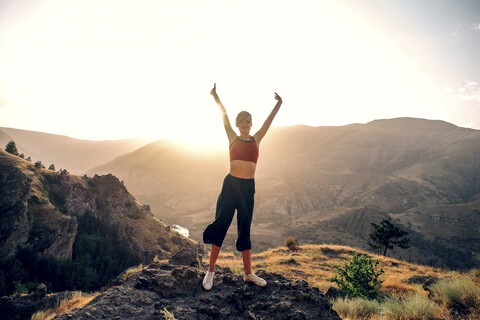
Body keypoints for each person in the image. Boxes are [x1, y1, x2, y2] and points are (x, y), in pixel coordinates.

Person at [202, 83, 283, 290]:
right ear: (238, 124)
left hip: (248, 189)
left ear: (250, 123)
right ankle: (210, 272)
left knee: (245, 229)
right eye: (243, 122)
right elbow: (224, 115)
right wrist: (215, 96)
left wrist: (279, 104)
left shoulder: (257, 139)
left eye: (248, 122)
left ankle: (248, 274)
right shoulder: (232, 137)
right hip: (231, 186)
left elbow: (269, 121)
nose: (246, 125)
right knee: (221, 226)